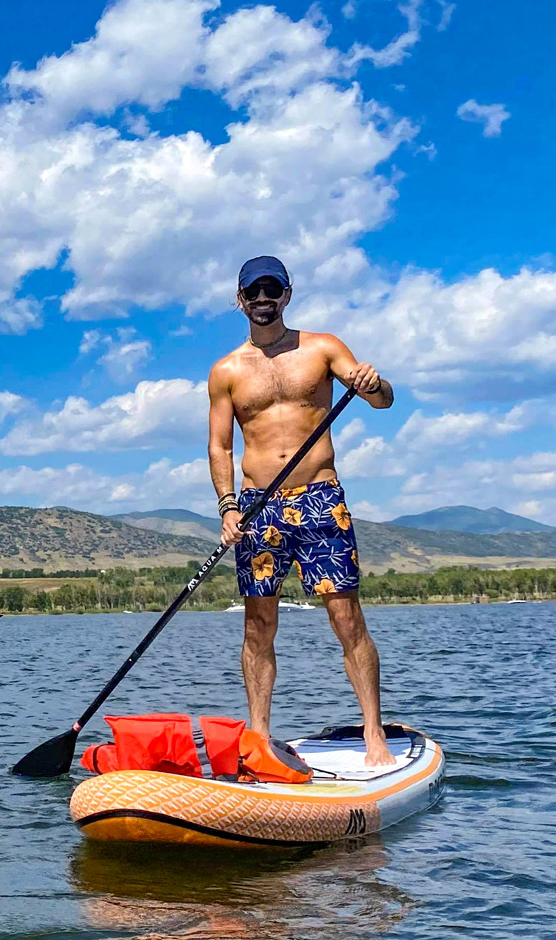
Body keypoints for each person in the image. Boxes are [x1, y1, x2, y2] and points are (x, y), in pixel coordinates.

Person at [206, 255, 395, 765]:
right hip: (257, 509)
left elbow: (383, 402)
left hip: (319, 499)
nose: (263, 298)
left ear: (287, 294)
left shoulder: (323, 348)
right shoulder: (226, 371)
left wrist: (373, 383)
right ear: (240, 299)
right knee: (257, 625)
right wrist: (227, 508)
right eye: (254, 291)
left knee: (346, 617)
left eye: (273, 289)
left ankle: (374, 733)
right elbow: (220, 447)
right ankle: (260, 738)